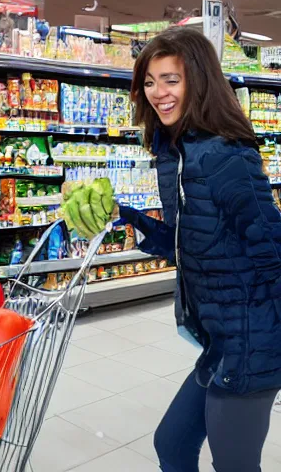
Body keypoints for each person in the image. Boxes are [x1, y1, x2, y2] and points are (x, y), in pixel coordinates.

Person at [115, 26, 281, 472]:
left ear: (198, 79)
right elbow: (194, 242)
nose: (157, 92)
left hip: (250, 343)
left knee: (235, 465)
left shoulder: (226, 156)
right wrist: (129, 220)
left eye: (171, 79)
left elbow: (273, 250)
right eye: (149, 81)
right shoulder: (174, 152)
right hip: (219, 338)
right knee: (172, 444)